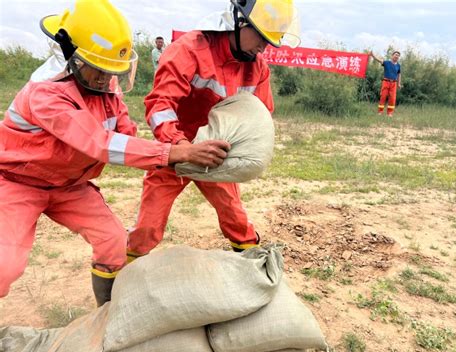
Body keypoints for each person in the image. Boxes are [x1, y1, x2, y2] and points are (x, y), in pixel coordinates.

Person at [0, 0, 229, 306]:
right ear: (71, 55)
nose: (105, 78)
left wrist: (169, 151)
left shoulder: (106, 86)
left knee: (114, 244)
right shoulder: (45, 95)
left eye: (111, 71)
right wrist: (174, 153)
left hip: (70, 187)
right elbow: (101, 143)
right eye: (98, 69)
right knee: (5, 264)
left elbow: (124, 134)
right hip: (18, 184)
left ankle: (106, 315)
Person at [127, 0, 300, 260]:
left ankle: (253, 271)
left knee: (237, 220)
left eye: (270, 41)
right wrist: (181, 147)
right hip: (176, 152)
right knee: (147, 227)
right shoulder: (190, 50)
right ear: (239, 21)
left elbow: (259, 116)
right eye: (262, 37)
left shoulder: (257, 68)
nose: (265, 47)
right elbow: (160, 104)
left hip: (215, 154)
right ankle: (117, 282)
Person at [369, 50, 402, 117]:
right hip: (386, 82)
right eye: (395, 55)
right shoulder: (387, 62)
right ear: (392, 55)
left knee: (392, 98)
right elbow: (379, 60)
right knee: (383, 96)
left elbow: (399, 75)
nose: (397, 56)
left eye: (398, 56)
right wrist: (373, 55)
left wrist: (399, 83)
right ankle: (380, 112)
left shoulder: (398, 65)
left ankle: (389, 113)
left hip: (394, 83)